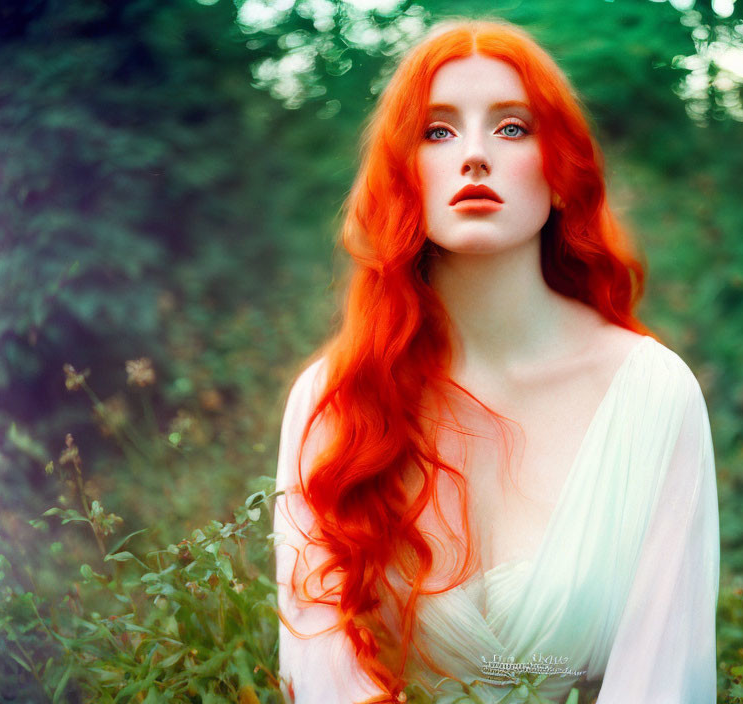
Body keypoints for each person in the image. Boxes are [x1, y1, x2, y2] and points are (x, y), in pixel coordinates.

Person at [272, 17, 720, 704]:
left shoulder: (651, 395)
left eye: (512, 128)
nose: (474, 155)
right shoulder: (333, 400)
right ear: (404, 174)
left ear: (562, 170)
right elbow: (319, 664)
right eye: (438, 131)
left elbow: (661, 677)